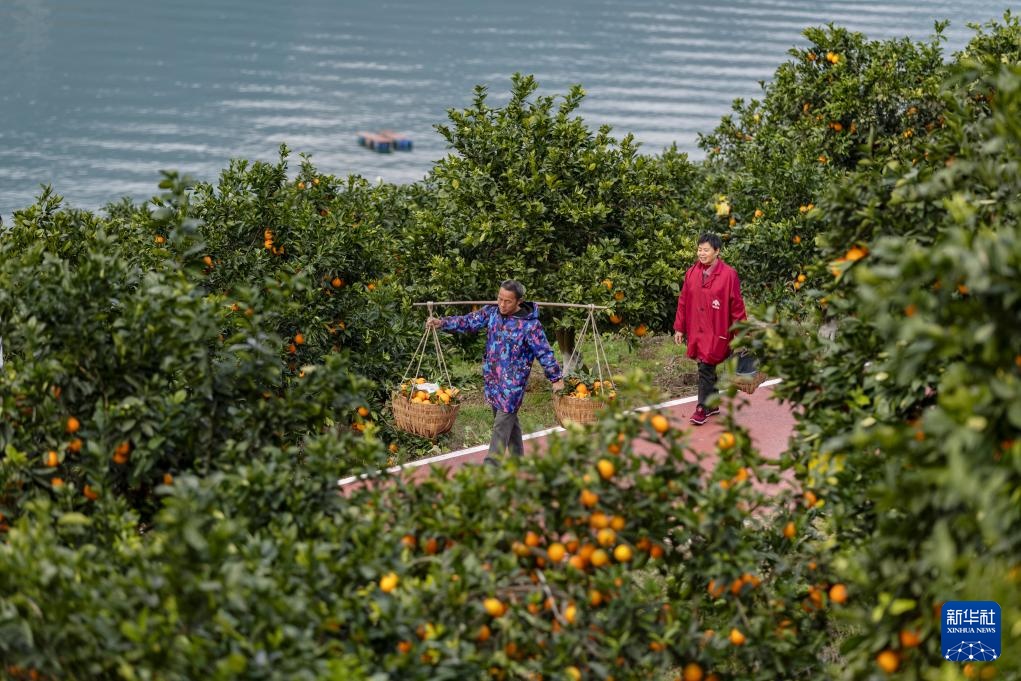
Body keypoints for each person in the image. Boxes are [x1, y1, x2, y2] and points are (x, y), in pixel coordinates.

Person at [427, 280, 565, 462]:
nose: (502, 304)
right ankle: (518, 461)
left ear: (519, 302)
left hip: (513, 386)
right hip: (492, 380)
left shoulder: (530, 326)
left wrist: (556, 378)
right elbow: (468, 322)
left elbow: (544, 352)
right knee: (509, 423)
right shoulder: (492, 312)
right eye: (499, 298)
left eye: (507, 301)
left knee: (501, 425)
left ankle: (491, 467)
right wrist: (442, 323)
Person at [673, 232, 747, 425]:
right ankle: (712, 403)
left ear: (717, 251)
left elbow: (737, 306)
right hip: (696, 329)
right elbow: (683, 301)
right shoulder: (692, 272)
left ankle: (701, 408)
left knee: (706, 365)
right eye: (699, 249)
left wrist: (741, 334)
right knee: (704, 365)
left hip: (718, 331)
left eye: (706, 250)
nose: (701, 253)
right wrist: (679, 328)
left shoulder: (729, 275)